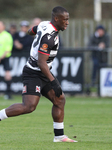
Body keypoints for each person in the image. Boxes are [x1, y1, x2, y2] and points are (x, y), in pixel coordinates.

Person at [0, 6, 77, 142]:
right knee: (29, 107)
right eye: (65, 20)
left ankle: (59, 136)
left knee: (59, 99)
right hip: (33, 73)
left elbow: (31, 30)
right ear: (56, 18)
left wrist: (36, 38)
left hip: (42, 72)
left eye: (68, 19)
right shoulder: (49, 37)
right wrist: (54, 81)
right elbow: (42, 63)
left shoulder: (44, 24)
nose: (67, 22)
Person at [0, 21, 13, 99]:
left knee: (7, 74)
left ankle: (8, 93)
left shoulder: (7, 36)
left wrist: (1, 57)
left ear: (3, 27)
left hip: (5, 58)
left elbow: (8, 50)